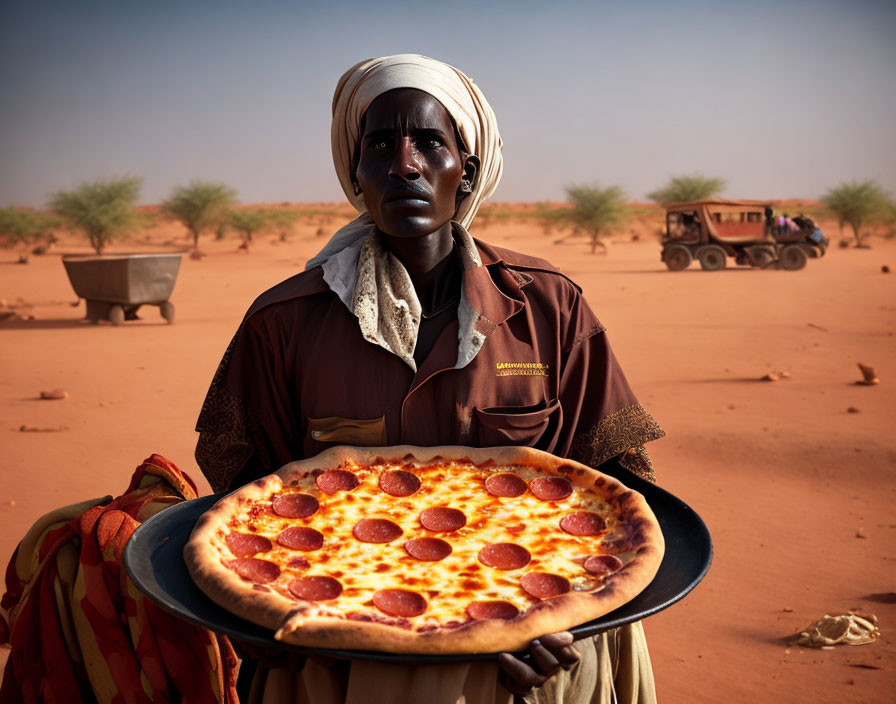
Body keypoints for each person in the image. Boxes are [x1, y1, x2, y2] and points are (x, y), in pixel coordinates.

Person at [196, 54, 664, 704]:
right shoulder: (283, 322)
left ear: (465, 168)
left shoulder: (551, 307)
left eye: (430, 143)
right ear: (356, 174)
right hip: (344, 661)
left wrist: (581, 615)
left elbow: (622, 477)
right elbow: (239, 488)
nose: (404, 164)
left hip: (540, 657)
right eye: (380, 145)